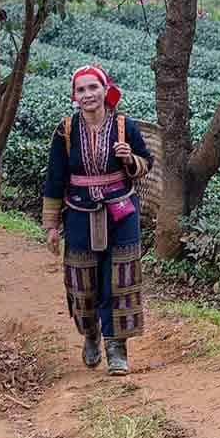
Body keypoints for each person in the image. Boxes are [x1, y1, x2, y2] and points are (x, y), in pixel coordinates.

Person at [42, 65, 153, 376]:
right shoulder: (65, 131)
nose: (88, 95)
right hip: (78, 211)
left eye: (93, 88)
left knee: (120, 279)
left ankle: (116, 347)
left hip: (121, 211)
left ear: (106, 91)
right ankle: (90, 333)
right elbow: (54, 178)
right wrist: (51, 225)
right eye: (81, 90)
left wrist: (129, 158)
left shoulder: (124, 127)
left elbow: (147, 163)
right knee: (83, 279)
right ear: (74, 96)